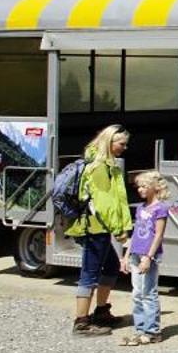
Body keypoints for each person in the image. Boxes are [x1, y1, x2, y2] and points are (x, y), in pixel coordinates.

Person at [68, 125, 133, 336]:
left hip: (100, 228)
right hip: (95, 229)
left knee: (112, 267)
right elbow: (105, 205)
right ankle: (81, 322)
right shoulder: (99, 168)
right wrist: (121, 232)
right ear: (110, 142)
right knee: (89, 274)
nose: (124, 147)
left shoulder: (107, 165)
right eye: (121, 144)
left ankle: (102, 311)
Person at [122, 171, 172, 346]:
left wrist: (148, 257)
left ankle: (152, 331)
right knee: (137, 293)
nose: (140, 190)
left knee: (148, 293)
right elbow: (136, 233)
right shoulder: (140, 208)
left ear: (155, 187)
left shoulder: (161, 208)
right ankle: (140, 329)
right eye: (139, 187)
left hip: (148, 256)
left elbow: (158, 235)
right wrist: (126, 255)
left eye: (144, 186)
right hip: (135, 254)